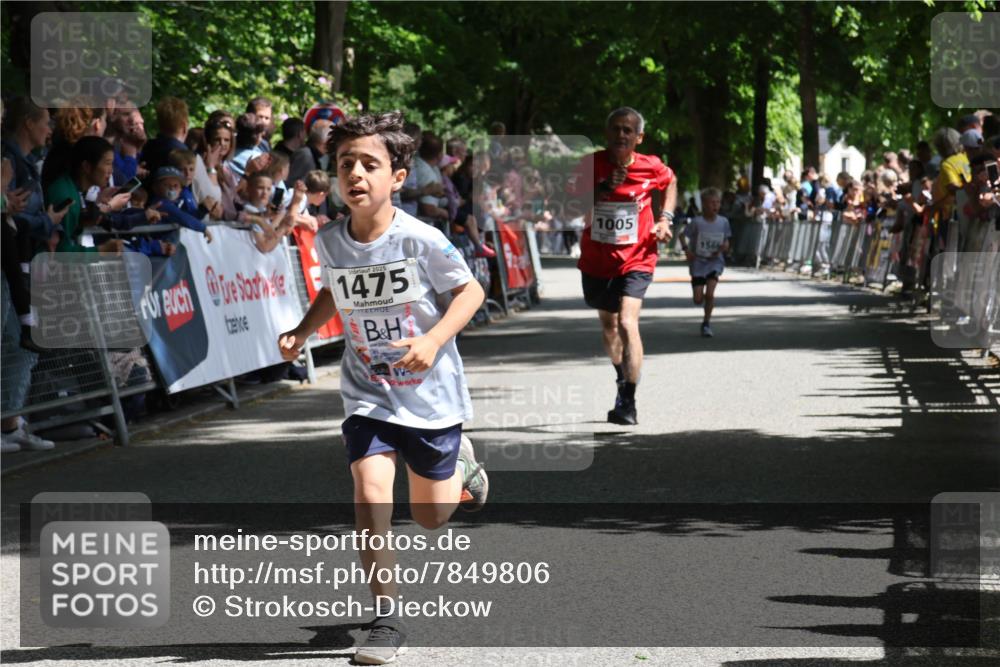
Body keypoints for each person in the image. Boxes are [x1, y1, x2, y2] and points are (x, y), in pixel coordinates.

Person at [277, 111, 488, 664]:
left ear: (397, 176)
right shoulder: (330, 239)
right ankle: (386, 618)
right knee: (370, 494)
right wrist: (302, 329)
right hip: (367, 389)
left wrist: (435, 339)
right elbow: (334, 291)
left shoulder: (421, 238)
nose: (356, 174)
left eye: (370, 164)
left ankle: (461, 465)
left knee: (429, 517)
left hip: (430, 395)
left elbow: (470, 293)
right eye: (346, 164)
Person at [568, 107, 677, 425]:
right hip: (598, 260)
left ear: (639, 137)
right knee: (609, 325)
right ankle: (621, 374)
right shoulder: (590, 165)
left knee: (628, 323)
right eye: (616, 129)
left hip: (639, 256)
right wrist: (602, 187)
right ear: (607, 134)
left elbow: (671, 182)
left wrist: (665, 218)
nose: (621, 135)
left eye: (628, 131)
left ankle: (628, 401)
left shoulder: (651, 166)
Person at [680, 187, 732, 337]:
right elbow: (682, 236)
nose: (715, 206)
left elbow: (726, 241)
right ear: (703, 204)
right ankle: (702, 306)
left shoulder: (723, 222)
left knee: (710, 293)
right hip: (698, 262)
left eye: (718, 203)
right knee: (698, 299)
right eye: (712, 203)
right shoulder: (697, 222)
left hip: (715, 262)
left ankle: (706, 322)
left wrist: (724, 247)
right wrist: (687, 250)